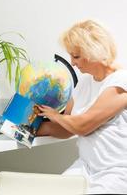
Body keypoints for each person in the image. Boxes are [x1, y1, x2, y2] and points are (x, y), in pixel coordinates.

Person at [37, 20, 127, 194]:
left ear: (94, 51)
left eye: (76, 56)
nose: (72, 62)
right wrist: (31, 128)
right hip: (86, 168)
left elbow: (83, 125)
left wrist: (56, 115)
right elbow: (67, 129)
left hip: (117, 171)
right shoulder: (85, 83)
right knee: (52, 190)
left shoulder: (121, 82)